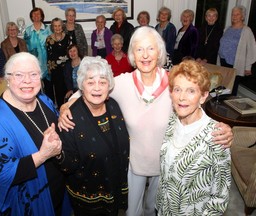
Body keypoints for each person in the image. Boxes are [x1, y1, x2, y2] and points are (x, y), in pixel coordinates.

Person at [58, 26, 233, 216]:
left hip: (167, 163)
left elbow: (194, 104)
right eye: (139, 49)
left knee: (154, 209)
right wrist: (66, 106)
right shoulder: (122, 83)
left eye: (151, 48)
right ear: (132, 53)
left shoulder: (173, 83)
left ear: (159, 52)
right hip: (133, 164)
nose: (145, 55)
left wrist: (220, 128)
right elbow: (90, 88)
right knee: (132, 212)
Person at [0, 52, 70, 215]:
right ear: (7, 79)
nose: (27, 81)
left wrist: (64, 110)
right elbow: (0, 175)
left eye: (33, 74)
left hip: (58, 191)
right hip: (30, 203)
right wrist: (42, 155)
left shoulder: (43, 100)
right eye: (19, 75)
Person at [155, 60, 231, 215]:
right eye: (177, 89)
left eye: (191, 91)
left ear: (203, 96)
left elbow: (220, 198)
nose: (182, 97)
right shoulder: (171, 122)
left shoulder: (217, 136)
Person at [57, 56, 130, 216]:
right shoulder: (70, 117)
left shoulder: (114, 106)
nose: (97, 88)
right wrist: (56, 151)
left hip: (114, 189)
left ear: (109, 86)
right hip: (88, 198)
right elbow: (67, 165)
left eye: (102, 82)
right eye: (90, 82)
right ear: (81, 86)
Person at [219, 5, 256, 95]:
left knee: (232, 88)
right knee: (223, 85)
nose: (234, 16)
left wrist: (248, 67)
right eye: (233, 14)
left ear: (242, 16)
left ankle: (229, 105)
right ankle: (221, 105)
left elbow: (251, 49)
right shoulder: (227, 28)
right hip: (223, 61)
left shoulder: (246, 30)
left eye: (237, 14)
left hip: (235, 64)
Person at [24, 7, 54, 102]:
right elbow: (25, 47)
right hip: (33, 64)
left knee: (49, 87)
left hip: (47, 62)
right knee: (35, 87)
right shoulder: (28, 31)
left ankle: (51, 106)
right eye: (34, 14)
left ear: (42, 16)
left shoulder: (48, 29)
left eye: (38, 14)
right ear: (31, 17)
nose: (36, 16)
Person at [46, 17, 69, 108]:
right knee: (58, 92)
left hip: (67, 68)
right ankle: (60, 110)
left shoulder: (68, 37)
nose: (57, 28)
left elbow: (71, 52)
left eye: (59, 25)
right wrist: (50, 70)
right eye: (55, 26)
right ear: (52, 27)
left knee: (68, 90)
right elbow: (49, 56)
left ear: (62, 26)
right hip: (55, 70)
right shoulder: (49, 39)